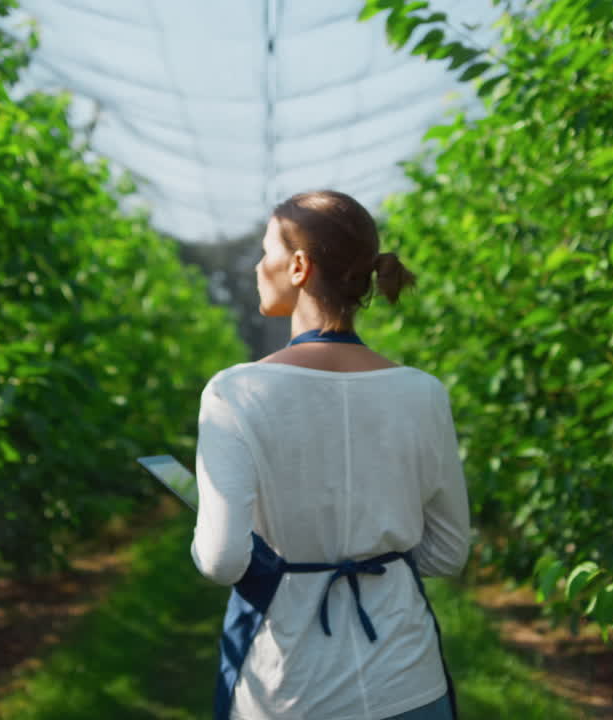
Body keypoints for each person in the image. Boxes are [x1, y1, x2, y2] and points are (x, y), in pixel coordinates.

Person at [192, 190, 471, 720]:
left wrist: (281, 557)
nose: (257, 267)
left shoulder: (236, 393)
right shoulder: (422, 392)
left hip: (289, 688)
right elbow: (447, 554)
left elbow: (221, 558)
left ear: (298, 265)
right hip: (407, 677)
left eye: (264, 251)